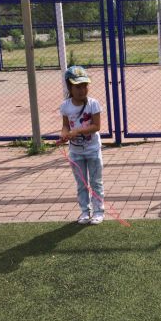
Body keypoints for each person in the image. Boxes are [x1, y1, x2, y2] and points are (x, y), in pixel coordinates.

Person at [60, 66, 105, 224]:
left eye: (85, 85)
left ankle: (98, 212)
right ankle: (85, 212)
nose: (82, 90)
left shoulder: (93, 104)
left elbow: (96, 126)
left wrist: (77, 131)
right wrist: (64, 134)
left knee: (96, 182)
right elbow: (65, 125)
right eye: (78, 87)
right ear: (69, 87)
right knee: (81, 184)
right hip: (75, 152)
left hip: (93, 150)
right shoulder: (65, 106)